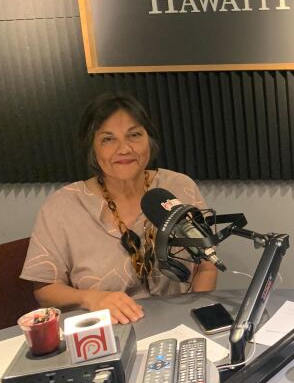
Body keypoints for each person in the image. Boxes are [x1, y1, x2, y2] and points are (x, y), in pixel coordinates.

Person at [21, 92, 217, 324]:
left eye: (134, 135)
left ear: (149, 140)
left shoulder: (179, 187)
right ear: (92, 148)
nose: (124, 149)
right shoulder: (62, 207)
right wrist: (90, 298)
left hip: (178, 326)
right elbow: (44, 290)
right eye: (108, 139)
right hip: (104, 335)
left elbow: (207, 267)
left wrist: (190, 319)